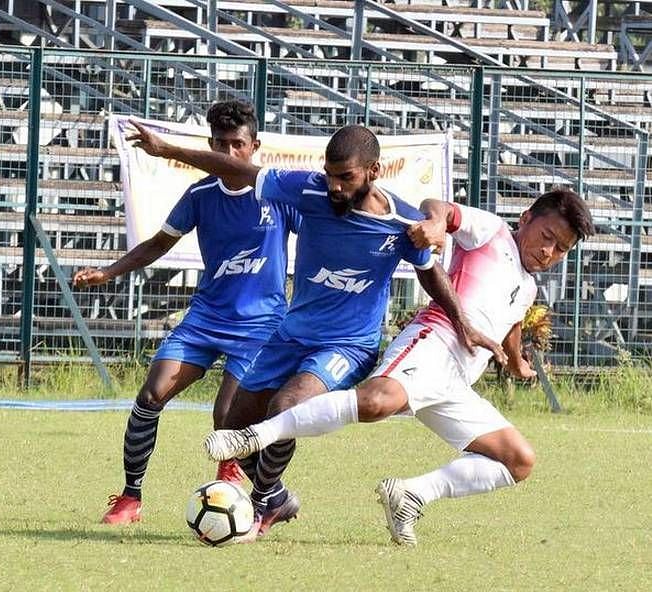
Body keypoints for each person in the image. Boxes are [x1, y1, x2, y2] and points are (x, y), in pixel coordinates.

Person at [129, 121, 506, 541]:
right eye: (329, 174)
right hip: (291, 334)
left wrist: (463, 325)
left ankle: (256, 509)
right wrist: (167, 150)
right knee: (232, 433)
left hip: (348, 344)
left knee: (286, 407)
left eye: (345, 177)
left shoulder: (403, 222)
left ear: (374, 171)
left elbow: (429, 273)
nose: (334, 187)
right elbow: (236, 170)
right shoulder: (307, 190)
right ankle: (273, 496)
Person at [203, 188, 596, 546]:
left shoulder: (527, 285)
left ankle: (412, 494)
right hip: (433, 344)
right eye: (548, 237)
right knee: (377, 403)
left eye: (561, 249)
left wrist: (516, 362)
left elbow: (510, 323)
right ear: (526, 218)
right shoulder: (492, 232)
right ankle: (252, 437)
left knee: (518, 460)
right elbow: (438, 209)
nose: (550, 252)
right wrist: (436, 225)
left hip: (457, 383)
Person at [73, 101, 301, 525]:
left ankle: (235, 488)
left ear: (255, 146)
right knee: (150, 395)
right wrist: (108, 271)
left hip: (261, 326)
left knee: (228, 417)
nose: (229, 154)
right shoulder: (200, 195)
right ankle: (130, 498)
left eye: (238, 145)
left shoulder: (279, 195)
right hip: (206, 319)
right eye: (220, 144)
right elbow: (158, 243)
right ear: (210, 144)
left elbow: (320, 238)